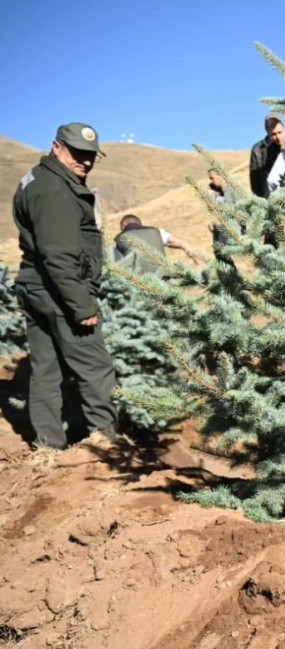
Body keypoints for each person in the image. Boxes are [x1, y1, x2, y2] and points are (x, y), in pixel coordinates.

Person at [12, 123, 118, 450]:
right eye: (77, 154)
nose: (85, 162)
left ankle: (48, 447)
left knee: (46, 369)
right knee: (95, 368)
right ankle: (106, 447)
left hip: (36, 286)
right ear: (57, 147)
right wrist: (82, 306)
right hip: (59, 293)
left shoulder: (38, 179)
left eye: (90, 156)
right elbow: (57, 256)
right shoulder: (55, 190)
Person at [113, 214, 204, 273]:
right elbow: (184, 244)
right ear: (140, 223)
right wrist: (200, 263)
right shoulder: (158, 232)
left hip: (137, 286)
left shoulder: (118, 240)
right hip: (162, 281)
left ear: (123, 226)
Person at [207, 169, 242, 266]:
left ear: (220, 176)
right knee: (219, 255)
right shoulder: (217, 192)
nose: (211, 181)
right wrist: (210, 197)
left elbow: (235, 210)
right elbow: (214, 212)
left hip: (232, 229)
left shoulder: (233, 190)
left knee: (223, 254)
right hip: (219, 231)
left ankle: (233, 278)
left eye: (212, 178)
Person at [249, 114, 285, 198]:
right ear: (267, 133)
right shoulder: (258, 150)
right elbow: (255, 180)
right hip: (270, 198)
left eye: (280, 132)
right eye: (273, 134)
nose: (278, 137)